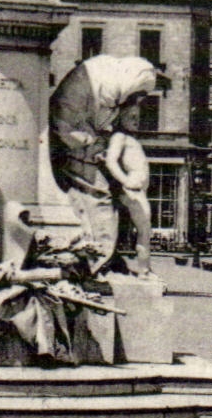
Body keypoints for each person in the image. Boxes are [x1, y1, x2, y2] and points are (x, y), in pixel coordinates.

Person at [48, 55, 158, 272]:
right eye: (136, 98)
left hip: (81, 147)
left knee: (99, 199)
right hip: (76, 149)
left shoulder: (105, 83)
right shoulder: (92, 87)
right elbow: (68, 128)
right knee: (99, 198)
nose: (137, 106)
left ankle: (100, 258)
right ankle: (97, 263)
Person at [104, 128, 152, 271]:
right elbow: (110, 162)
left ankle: (145, 268)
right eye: (130, 114)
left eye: (137, 115)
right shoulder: (120, 136)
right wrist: (125, 181)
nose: (135, 119)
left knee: (144, 231)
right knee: (144, 230)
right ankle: (144, 270)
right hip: (132, 191)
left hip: (138, 190)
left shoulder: (131, 138)